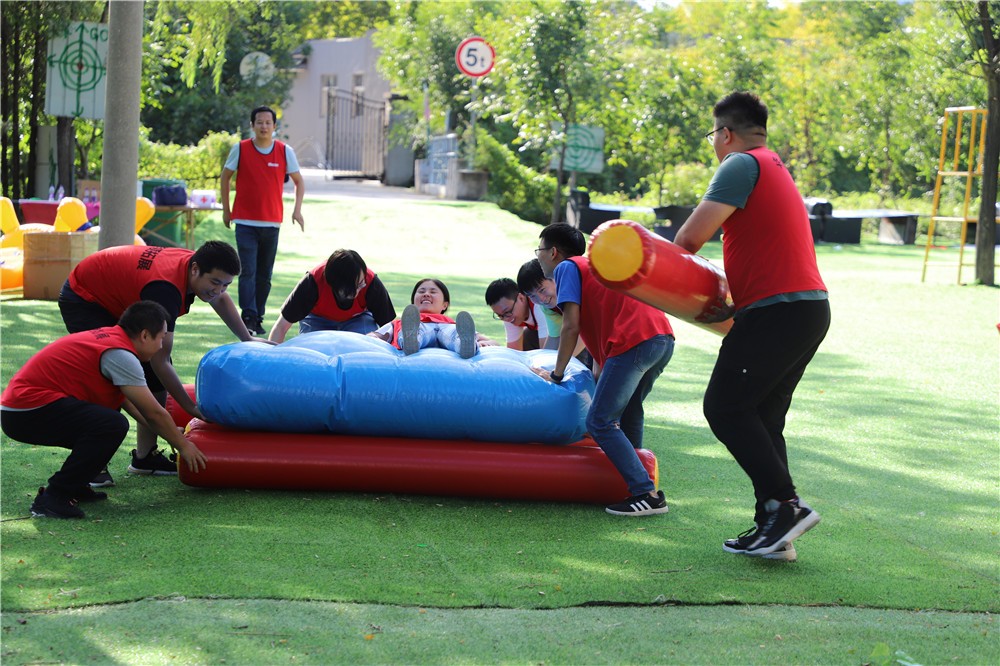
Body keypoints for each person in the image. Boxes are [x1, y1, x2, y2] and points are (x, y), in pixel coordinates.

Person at [674, 91, 830, 561]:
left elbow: (688, 239)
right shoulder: (774, 164)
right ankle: (774, 528)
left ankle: (786, 506)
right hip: (807, 310)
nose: (713, 145)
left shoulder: (740, 164)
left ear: (725, 133)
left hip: (777, 311)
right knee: (762, 417)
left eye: (712, 136)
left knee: (724, 407)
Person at [58, 241, 259, 487]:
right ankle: (94, 466)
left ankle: (145, 457)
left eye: (225, 284)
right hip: (85, 297)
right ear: (195, 270)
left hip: (120, 294)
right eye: (215, 283)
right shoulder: (165, 290)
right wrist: (190, 406)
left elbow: (219, 299)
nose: (219, 290)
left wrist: (248, 338)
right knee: (109, 374)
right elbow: (160, 361)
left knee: (152, 367)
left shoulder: (198, 266)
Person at [1, 301, 208, 519]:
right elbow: (154, 412)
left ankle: (75, 485)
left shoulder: (114, 340)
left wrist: (171, 433)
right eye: (161, 338)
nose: (161, 346)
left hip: (23, 409)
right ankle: (54, 497)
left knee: (108, 421)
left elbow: (132, 404)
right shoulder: (121, 355)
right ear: (145, 335)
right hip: (26, 411)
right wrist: (184, 446)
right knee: (111, 425)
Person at [534, 224, 675, 517]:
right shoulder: (592, 268)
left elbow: (571, 326)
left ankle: (645, 493)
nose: (539, 257)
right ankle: (637, 485)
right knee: (630, 411)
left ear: (553, 252)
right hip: (660, 338)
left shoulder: (567, 267)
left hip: (634, 340)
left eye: (539, 251)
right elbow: (600, 325)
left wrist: (557, 374)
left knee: (600, 421)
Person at [220, 105, 306, 335]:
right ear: (252, 125)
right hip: (245, 222)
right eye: (259, 122)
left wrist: (297, 211)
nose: (264, 126)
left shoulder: (284, 151)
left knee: (264, 275)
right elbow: (225, 177)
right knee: (248, 271)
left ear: (274, 126)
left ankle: (258, 316)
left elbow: (299, 181)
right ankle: (248, 317)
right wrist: (227, 210)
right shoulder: (240, 149)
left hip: (271, 223)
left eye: (268, 123)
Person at [269, 249, 395, 342]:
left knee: (366, 344)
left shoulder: (371, 282)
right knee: (312, 350)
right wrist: (271, 359)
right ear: (333, 284)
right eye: (352, 288)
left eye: (361, 284)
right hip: (317, 319)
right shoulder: (312, 282)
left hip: (358, 318)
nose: (358, 290)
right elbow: (281, 327)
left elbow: (390, 328)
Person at [369, 278, 494, 358]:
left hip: (445, 327)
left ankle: (465, 346)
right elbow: (377, 335)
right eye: (421, 291)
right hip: (418, 325)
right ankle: (411, 340)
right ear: (413, 303)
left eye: (433, 292)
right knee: (417, 331)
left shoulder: (455, 325)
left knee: (454, 335)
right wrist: (372, 337)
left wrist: (484, 343)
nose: (426, 294)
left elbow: (492, 342)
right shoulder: (399, 323)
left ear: (445, 305)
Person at [516, 258, 591, 365]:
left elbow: (583, 335)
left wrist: (557, 366)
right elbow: (554, 337)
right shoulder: (547, 306)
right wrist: (541, 364)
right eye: (532, 296)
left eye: (542, 290)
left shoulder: (575, 291)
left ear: (554, 278)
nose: (541, 299)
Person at [485, 277, 550, 351]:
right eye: (500, 315)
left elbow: (547, 352)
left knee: (528, 336)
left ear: (521, 298)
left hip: (560, 331)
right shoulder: (508, 315)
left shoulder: (538, 305)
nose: (506, 319)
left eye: (507, 312)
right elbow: (513, 351)